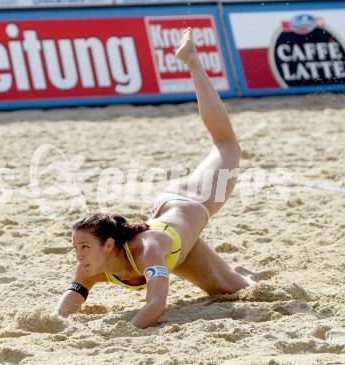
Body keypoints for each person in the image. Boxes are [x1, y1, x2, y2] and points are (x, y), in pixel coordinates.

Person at [54, 28, 256, 329]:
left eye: (84, 247)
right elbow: (69, 303)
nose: (79, 255)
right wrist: (57, 324)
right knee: (239, 292)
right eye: (76, 248)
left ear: (109, 245)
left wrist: (125, 334)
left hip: (190, 201)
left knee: (226, 144)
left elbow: (157, 304)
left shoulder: (147, 250)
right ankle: (238, 272)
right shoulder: (89, 266)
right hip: (177, 250)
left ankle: (192, 62)